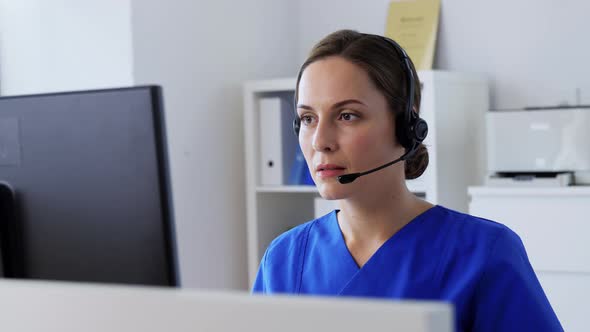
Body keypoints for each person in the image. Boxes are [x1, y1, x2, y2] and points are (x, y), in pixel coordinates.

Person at [252, 30, 562, 332]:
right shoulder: (284, 258)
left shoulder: (484, 253)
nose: (320, 141)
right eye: (308, 119)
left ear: (406, 126)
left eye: (347, 115)